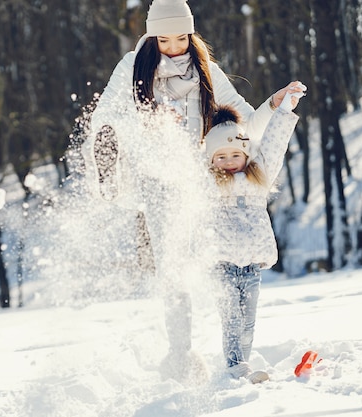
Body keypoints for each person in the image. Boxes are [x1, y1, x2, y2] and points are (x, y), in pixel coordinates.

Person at [81, 0, 302, 382]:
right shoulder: (133, 67)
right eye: (163, 39)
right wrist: (144, 121)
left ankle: (235, 355)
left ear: (191, 34)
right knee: (174, 269)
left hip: (203, 179)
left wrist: (274, 104)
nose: (172, 46)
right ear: (151, 37)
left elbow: (245, 121)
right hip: (157, 181)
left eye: (180, 37)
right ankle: (180, 354)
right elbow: (107, 119)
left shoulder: (206, 70)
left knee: (221, 263)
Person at [204, 85, 305, 384]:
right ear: (210, 160)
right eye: (220, 157)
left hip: (251, 267)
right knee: (232, 321)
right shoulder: (208, 184)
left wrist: (285, 110)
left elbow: (274, 145)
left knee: (247, 323)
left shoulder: (258, 177)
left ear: (246, 153)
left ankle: (240, 367)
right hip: (221, 266)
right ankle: (237, 370)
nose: (229, 161)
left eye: (235, 154)